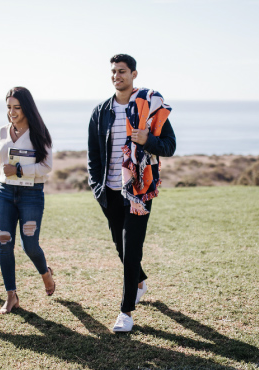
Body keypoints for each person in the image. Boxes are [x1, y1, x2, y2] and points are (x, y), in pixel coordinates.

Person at [87, 54, 176, 332]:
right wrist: (97, 188)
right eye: (113, 71)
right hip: (110, 191)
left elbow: (169, 146)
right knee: (121, 247)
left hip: (139, 191)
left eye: (122, 71)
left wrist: (147, 139)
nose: (117, 76)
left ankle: (125, 312)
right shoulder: (100, 112)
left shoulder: (148, 107)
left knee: (132, 246)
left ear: (134, 74)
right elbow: (93, 156)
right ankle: (139, 281)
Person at [0, 87, 56, 314]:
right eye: (9, 108)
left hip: (31, 195)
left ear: (27, 108)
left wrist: (18, 170)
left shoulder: (39, 132)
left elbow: (46, 166)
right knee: (4, 244)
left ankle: (45, 272)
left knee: (30, 246)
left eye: (17, 108)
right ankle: (11, 296)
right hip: (6, 194)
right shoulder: (1, 132)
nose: (12, 112)